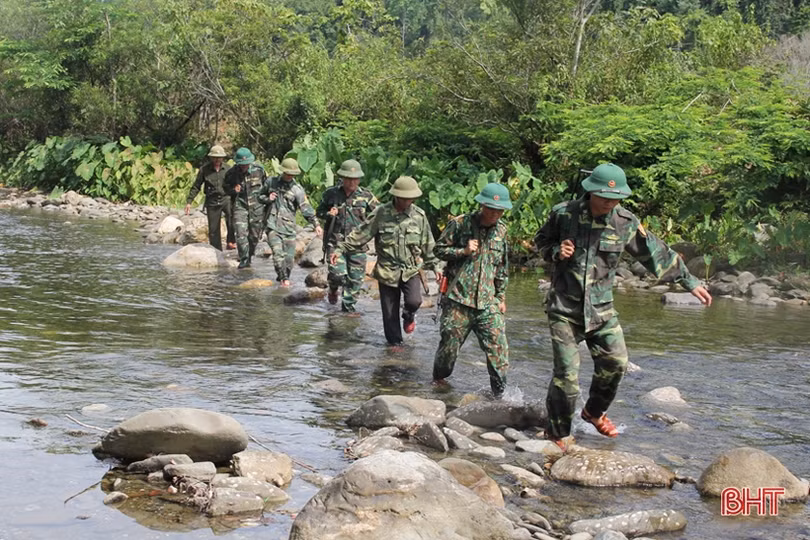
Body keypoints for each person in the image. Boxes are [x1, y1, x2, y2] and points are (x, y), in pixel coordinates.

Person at [535, 163, 712, 450]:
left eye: (615, 198)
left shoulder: (625, 221)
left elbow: (654, 252)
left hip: (602, 310)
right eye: (604, 196)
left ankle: (593, 412)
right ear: (590, 191)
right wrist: (556, 251)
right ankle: (558, 434)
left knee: (616, 364)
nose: (610, 202)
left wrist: (688, 281)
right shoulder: (563, 213)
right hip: (564, 309)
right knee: (566, 375)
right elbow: (541, 241)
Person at [331, 176, 441, 346]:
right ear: (396, 196)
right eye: (405, 198)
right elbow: (362, 233)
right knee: (389, 313)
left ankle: (409, 315)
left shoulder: (419, 215)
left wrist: (436, 266)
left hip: (410, 269)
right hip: (386, 269)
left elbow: (428, 242)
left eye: (411, 198)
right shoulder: (381, 213)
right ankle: (395, 344)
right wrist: (340, 249)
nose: (408, 201)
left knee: (414, 301)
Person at [433, 183, 512, 398]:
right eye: (491, 208)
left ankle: (500, 394)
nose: (495, 214)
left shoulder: (502, 231)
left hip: (488, 302)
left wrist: (501, 296)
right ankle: (439, 380)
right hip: (459, 298)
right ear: (482, 206)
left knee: (498, 349)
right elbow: (438, 250)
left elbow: (502, 267)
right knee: (449, 346)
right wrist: (463, 251)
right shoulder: (460, 224)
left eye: (499, 210)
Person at [317, 159, 379, 312]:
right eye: (349, 179)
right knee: (337, 274)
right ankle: (333, 288)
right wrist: (328, 214)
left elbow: (379, 213)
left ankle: (348, 308)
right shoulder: (331, 194)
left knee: (356, 280)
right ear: (343, 178)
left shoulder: (366, 195)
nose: (352, 182)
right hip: (335, 241)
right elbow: (318, 212)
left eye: (355, 179)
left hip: (358, 244)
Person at [258, 157, 322, 286]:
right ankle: (284, 280)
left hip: (289, 228)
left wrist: (316, 224)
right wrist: (268, 198)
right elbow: (259, 196)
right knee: (277, 255)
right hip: (272, 225)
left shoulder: (297, 189)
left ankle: (283, 276)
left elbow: (306, 208)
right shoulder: (271, 182)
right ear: (282, 172)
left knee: (289, 259)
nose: (289, 176)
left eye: (291, 174)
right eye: (287, 173)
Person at [184, 144, 235, 251]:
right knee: (213, 229)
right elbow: (196, 186)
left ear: (223, 158)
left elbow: (235, 183)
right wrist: (189, 202)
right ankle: (216, 250)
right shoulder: (204, 170)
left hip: (226, 199)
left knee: (232, 221)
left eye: (219, 157)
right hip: (212, 201)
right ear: (211, 157)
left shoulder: (228, 169)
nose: (217, 160)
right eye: (215, 157)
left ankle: (231, 242)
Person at [224, 147, 266, 269]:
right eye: (241, 164)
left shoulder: (259, 171)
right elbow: (225, 189)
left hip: (257, 207)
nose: (244, 167)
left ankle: (250, 254)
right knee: (240, 233)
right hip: (239, 206)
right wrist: (233, 190)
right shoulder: (231, 173)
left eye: (246, 164)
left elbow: (266, 185)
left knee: (254, 235)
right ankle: (244, 259)